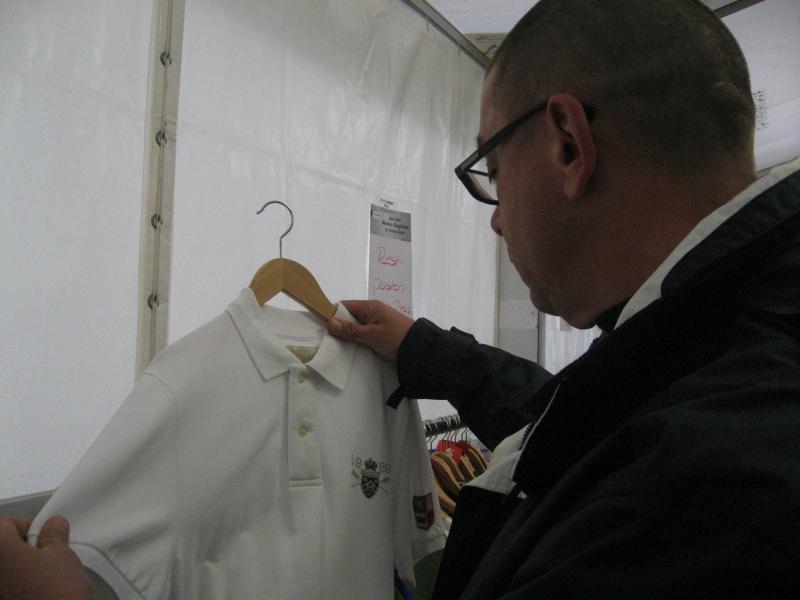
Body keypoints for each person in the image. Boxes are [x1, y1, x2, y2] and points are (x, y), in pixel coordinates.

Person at [3, 0, 800, 597]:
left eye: (491, 168)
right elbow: (575, 417)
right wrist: (428, 352)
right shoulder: (710, 359)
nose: (495, 219)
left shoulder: (708, 481)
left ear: (567, 143)